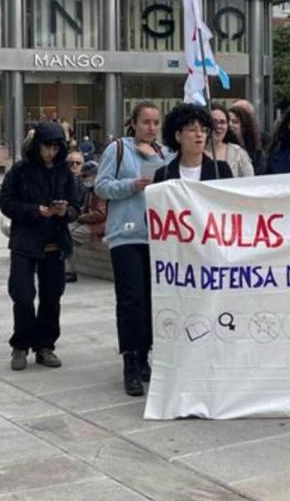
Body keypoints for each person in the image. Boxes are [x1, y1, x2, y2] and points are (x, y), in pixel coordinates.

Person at [95, 101, 168, 397]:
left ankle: (144, 353)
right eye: (146, 122)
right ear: (134, 123)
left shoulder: (164, 153)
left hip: (157, 236)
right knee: (130, 299)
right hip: (126, 235)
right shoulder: (118, 149)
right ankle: (129, 360)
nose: (151, 127)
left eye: (155, 122)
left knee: (152, 299)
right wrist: (131, 185)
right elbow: (101, 186)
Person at [0, 122, 78, 371]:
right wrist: (35, 211)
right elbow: (6, 202)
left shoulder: (65, 172)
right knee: (22, 295)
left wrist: (64, 211)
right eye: (47, 146)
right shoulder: (20, 171)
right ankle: (20, 345)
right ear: (37, 145)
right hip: (25, 241)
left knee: (52, 297)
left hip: (54, 241)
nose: (51, 152)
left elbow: (77, 207)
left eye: (56, 147)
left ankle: (45, 346)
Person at [155, 103, 233, 183]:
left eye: (203, 130)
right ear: (178, 135)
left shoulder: (220, 170)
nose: (199, 135)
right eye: (192, 130)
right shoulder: (163, 175)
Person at [207, 103, 254, 178]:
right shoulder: (196, 152)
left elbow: (250, 182)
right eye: (214, 121)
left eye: (222, 122)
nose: (218, 126)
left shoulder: (238, 153)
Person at [64, 150, 86, 283]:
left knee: (66, 233)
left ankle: (70, 271)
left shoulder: (87, 180)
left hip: (82, 218)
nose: (74, 165)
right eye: (71, 163)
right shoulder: (62, 179)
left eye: (78, 163)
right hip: (70, 217)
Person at [227, 104, 265, 175]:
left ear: (245, 125)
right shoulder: (226, 148)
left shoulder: (258, 148)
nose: (230, 125)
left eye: (235, 122)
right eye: (227, 122)